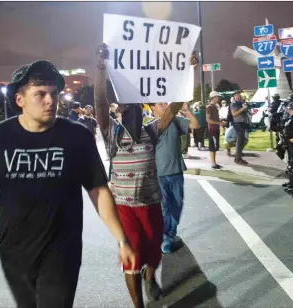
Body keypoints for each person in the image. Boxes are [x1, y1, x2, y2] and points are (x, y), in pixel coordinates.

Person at [0, 60, 135, 307]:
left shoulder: (77, 136)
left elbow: (98, 191)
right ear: (20, 99)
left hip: (62, 251)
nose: (51, 101)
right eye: (40, 94)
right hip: (13, 253)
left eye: (54, 93)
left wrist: (122, 239)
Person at [94, 43, 198, 308]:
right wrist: (100, 69)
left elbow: (174, 106)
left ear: (143, 112)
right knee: (133, 255)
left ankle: (150, 277)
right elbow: (99, 102)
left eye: (137, 107)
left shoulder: (151, 132)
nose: (132, 111)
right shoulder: (112, 135)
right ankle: (138, 305)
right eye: (127, 107)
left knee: (154, 253)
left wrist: (188, 70)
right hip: (124, 207)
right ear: (119, 112)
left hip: (152, 203)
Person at [148, 102, 199, 254]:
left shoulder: (176, 121)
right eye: (160, 104)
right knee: (164, 208)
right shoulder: (150, 126)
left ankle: (170, 233)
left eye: (166, 103)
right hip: (157, 174)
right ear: (152, 108)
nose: (164, 106)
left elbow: (195, 125)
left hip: (176, 171)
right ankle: (166, 239)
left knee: (176, 205)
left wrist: (187, 111)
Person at [206, 91, 225, 169]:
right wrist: (219, 123)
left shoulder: (214, 106)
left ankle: (214, 163)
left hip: (215, 129)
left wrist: (220, 121)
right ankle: (213, 164)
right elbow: (208, 120)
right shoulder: (209, 107)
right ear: (213, 98)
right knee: (212, 147)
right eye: (217, 97)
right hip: (212, 130)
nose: (218, 98)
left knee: (215, 147)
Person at [230, 90, 249, 165]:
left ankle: (238, 157)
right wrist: (243, 108)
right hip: (238, 124)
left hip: (243, 123)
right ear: (234, 96)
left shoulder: (240, 103)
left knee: (242, 141)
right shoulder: (233, 104)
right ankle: (238, 158)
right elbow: (234, 114)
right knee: (240, 141)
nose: (239, 96)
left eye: (239, 95)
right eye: (237, 95)